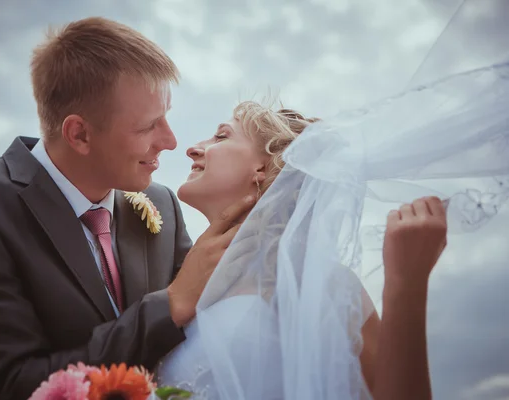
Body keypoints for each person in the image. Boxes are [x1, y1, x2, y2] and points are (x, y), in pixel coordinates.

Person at [0, 17, 254, 400]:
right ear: (79, 134)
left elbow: (197, 337)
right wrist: (169, 306)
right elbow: (9, 384)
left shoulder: (161, 203)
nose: (171, 141)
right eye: (147, 127)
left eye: (167, 116)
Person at [155, 81, 509, 399]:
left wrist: (406, 284)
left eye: (221, 136)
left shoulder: (319, 283)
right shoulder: (181, 278)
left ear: (262, 170)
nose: (193, 149)